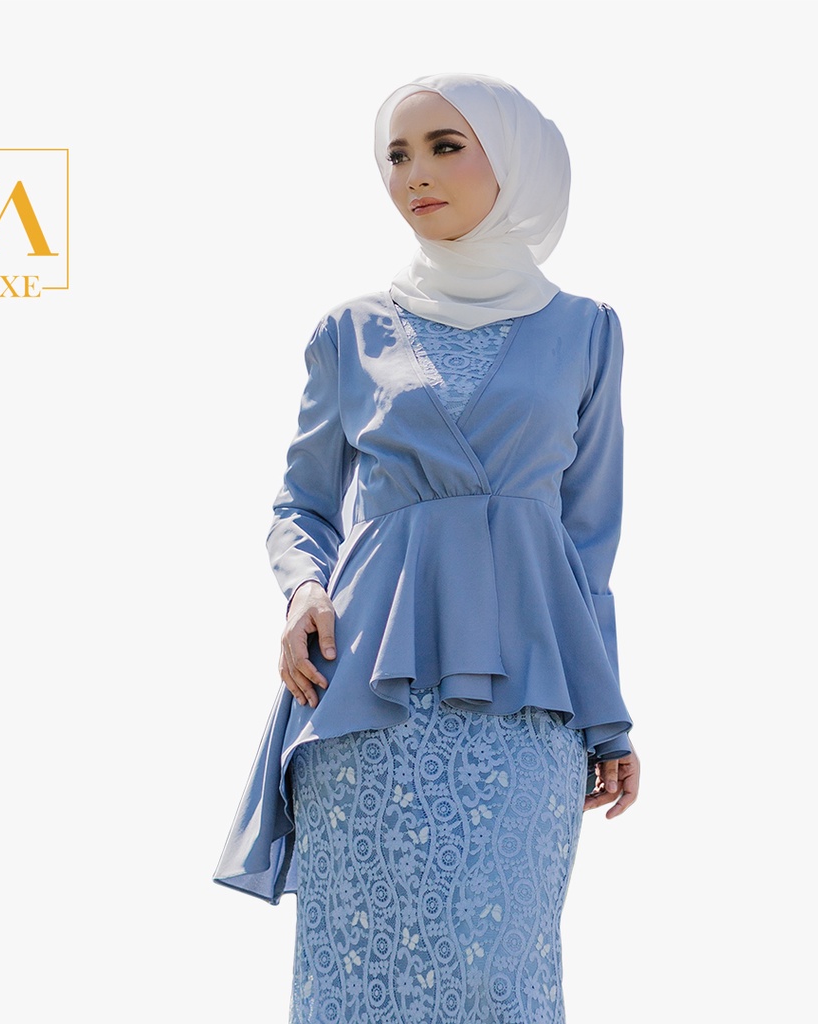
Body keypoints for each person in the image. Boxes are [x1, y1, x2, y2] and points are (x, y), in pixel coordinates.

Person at [214, 72, 641, 1024]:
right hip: (366, 697)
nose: (415, 174)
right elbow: (301, 504)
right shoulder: (349, 332)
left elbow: (589, 543)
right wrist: (302, 590)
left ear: (515, 161)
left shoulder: (587, 332)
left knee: (503, 968)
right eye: (396, 155)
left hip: (530, 703)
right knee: (362, 971)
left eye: (446, 147)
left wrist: (609, 718)